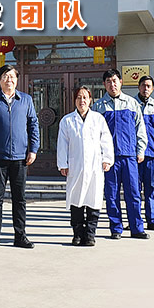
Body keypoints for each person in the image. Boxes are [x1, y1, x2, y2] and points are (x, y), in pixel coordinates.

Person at [0, 64, 40, 250]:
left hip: (20, 158)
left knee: (19, 199)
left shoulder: (26, 100)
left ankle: (20, 236)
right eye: (5, 76)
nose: (9, 80)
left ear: (17, 79)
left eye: (12, 76)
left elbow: (33, 125)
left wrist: (33, 149)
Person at [93, 69, 149, 240]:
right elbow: (94, 134)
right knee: (112, 195)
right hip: (109, 159)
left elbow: (140, 129)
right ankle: (116, 228)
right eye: (108, 81)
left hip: (129, 156)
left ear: (121, 82)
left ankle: (137, 228)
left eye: (115, 81)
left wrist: (140, 150)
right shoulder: (99, 106)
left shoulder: (132, 103)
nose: (112, 84)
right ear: (104, 84)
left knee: (134, 193)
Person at [57, 86, 114, 247]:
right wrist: (63, 164)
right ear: (74, 100)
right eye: (78, 97)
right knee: (76, 201)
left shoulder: (98, 119)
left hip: (95, 167)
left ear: (90, 100)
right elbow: (62, 144)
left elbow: (106, 140)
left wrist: (107, 159)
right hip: (75, 167)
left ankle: (90, 234)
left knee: (93, 200)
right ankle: (77, 234)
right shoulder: (67, 121)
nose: (82, 100)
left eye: (85, 97)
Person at [134, 75, 154, 231]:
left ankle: (152, 219)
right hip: (135, 155)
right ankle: (134, 220)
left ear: (152, 89)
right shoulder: (132, 104)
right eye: (143, 85)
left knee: (151, 187)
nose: (145, 88)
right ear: (138, 87)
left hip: (152, 154)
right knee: (134, 189)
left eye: (148, 86)